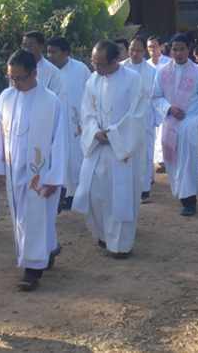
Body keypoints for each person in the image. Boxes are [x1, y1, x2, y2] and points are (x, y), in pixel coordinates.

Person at [0, 50, 67, 291]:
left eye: (20, 78)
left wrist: (54, 177)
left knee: (36, 217)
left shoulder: (51, 101)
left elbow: (60, 142)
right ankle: (49, 249)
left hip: (40, 173)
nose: (15, 83)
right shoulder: (6, 97)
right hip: (13, 169)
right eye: (11, 78)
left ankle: (33, 270)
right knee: (22, 218)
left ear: (34, 73)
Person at [72, 41, 146, 258]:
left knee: (120, 197)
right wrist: (94, 131)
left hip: (122, 149)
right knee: (94, 194)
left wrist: (113, 134)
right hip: (97, 146)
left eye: (100, 63)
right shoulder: (93, 80)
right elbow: (86, 111)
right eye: (93, 62)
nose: (95, 67)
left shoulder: (133, 79)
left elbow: (137, 114)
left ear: (115, 60)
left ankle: (121, 245)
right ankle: (104, 235)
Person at [152, 33, 198, 216]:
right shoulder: (162, 72)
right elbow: (155, 97)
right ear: (170, 51)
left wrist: (197, 122)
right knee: (172, 163)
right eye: (175, 49)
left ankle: (189, 201)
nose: (178, 53)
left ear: (189, 50)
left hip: (189, 125)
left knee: (188, 164)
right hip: (170, 124)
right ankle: (182, 195)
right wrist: (169, 108)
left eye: (182, 49)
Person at [46, 36, 91, 211]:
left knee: (75, 160)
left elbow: (90, 96)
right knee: (55, 159)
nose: (50, 56)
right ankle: (59, 196)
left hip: (75, 125)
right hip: (52, 124)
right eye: (48, 52)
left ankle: (74, 195)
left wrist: (85, 121)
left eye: (54, 52)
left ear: (66, 53)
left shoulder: (81, 69)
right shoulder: (44, 71)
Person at [122, 36, 157, 203]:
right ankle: (126, 185)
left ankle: (144, 188)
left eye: (138, 50)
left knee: (145, 152)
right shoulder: (120, 68)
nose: (134, 53)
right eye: (132, 50)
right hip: (124, 118)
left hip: (144, 118)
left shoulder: (151, 71)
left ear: (144, 52)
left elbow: (155, 96)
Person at [147, 36, 171, 173]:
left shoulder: (169, 63)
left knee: (164, 132)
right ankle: (153, 160)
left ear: (161, 47)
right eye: (149, 47)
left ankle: (163, 160)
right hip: (149, 103)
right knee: (152, 133)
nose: (152, 49)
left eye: (154, 46)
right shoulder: (146, 65)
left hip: (163, 102)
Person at [21, 31, 62, 95]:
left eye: (30, 45)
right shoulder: (17, 69)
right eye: (24, 45)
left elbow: (56, 97)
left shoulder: (53, 72)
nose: (26, 50)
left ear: (41, 47)